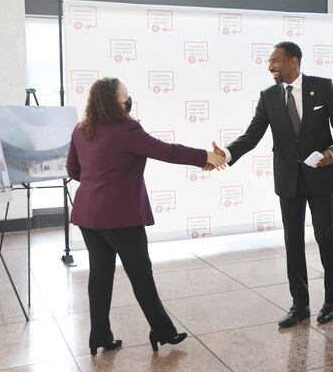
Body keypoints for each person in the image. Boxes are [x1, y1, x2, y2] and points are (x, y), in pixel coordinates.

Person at [66, 77, 225, 356]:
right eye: (125, 96)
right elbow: (166, 151)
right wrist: (205, 156)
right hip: (120, 217)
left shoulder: (81, 130)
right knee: (141, 274)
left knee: (100, 275)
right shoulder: (127, 129)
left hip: (88, 215)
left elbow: (74, 171)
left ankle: (99, 336)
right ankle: (163, 331)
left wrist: (97, 183)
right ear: (114, 102)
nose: (129, 100)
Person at [210, 42, 333, 327]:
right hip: (288, 181)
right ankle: (300, 306)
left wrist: (332, 152)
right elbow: (251, 136)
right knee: (293, 242)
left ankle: (331, 301)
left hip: (321, 178)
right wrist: (224, 153)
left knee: (326, 239)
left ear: (293, 62)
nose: (270, 66)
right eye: (269, 62)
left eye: (275, 60)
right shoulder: (269, 96)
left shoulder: (322, 87)